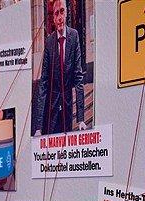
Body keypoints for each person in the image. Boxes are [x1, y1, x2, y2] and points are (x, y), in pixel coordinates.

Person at [34, 0, 86, 136]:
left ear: (67, 12)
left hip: (67, 105)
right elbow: (44, 82)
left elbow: (78, 77)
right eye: (56, 13)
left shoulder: (74, 36)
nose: (59, 17)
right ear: (53, 18)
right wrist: (38, 127)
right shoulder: (49, 42)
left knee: (67, 140)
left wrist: (81, 119)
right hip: (51, 107)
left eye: (62, 11)